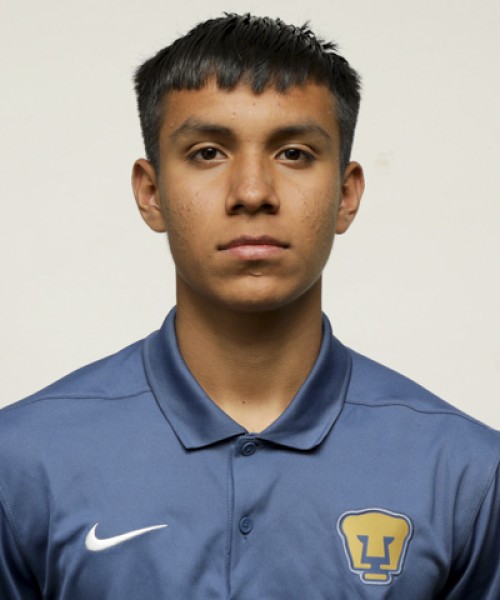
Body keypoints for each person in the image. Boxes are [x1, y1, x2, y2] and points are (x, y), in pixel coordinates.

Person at [0, 13, 498, 599]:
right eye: (208, 152)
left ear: (345, 194)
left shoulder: (466, 475)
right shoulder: (21, 461)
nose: (253, 192)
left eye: (294, 153)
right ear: (151, 192)